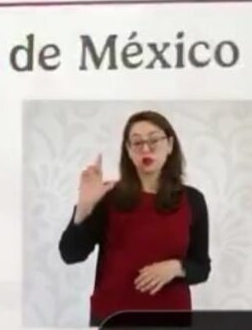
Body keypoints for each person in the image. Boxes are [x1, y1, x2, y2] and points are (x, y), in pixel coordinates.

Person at [59, 110, 211, 326]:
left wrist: (175, 267)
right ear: (128, 151)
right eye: (137, 142)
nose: (145, 149)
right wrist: (84, 206)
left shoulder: (193, 200)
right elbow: (70, 255)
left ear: (170, 145)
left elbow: (201, 268)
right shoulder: (108, 196)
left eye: (154, 140)